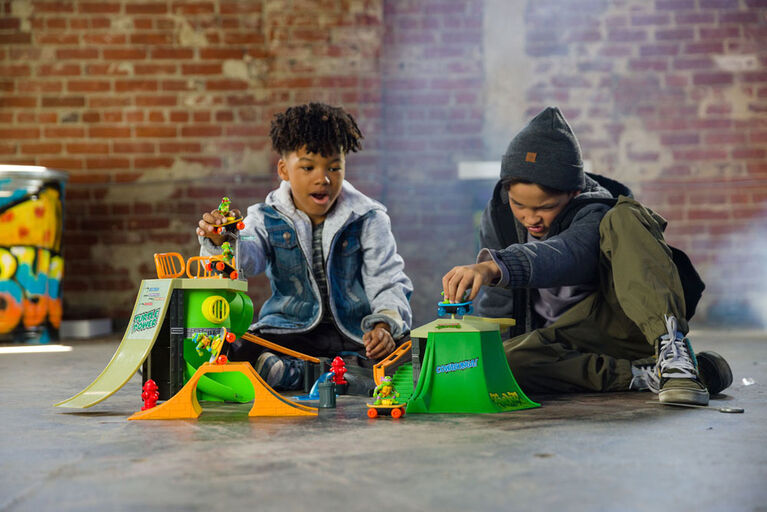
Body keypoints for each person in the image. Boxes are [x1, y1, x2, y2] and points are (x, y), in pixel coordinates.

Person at [442, 106, 732, 406]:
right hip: (563, 339)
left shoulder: (597, 209)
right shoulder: (499, 214)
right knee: (499, 364)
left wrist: (495, 267)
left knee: (627, 216)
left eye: (545, 207)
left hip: (621, 324)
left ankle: (672, 352)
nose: (531, 218)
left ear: (574, 194)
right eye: (520, 205)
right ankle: (642, 376)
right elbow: (499, 304)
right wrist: (492, 359)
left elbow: (568, 253)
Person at [197, 102, 413, 392]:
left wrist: (384, 326)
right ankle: (340, 377)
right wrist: (223, 240)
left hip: (355, 335)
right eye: (308, 167)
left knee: (412, 352)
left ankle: (299, 374)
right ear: (284, 170)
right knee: (229, 347)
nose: (322, 179)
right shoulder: (265, 215)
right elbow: (247, 259)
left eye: (334, 168)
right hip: (289, 332)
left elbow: (388, 280)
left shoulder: (368, 218)